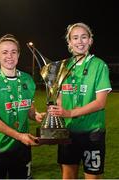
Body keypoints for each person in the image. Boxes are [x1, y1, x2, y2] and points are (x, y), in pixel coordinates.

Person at [48, 22, 112, 179]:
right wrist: (53, 114)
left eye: (84, 37)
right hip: (68, 134)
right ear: (69, 42)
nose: (80, 41)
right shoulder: (63, 67)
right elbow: (60, 100)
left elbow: (100, 103)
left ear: (90, 40)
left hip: (92, 133)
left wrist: (69, 112)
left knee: (93, 177)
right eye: (75, 38)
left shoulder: (99, 65)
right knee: (68, 176)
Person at [0, 34, 44, 179]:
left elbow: (29, 108)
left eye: (13, 52)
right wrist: (19, 136)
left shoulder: (27, 79)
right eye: (4, 52)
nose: (10, 56)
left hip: (22, 148)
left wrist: (36, 115)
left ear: (19, 54)